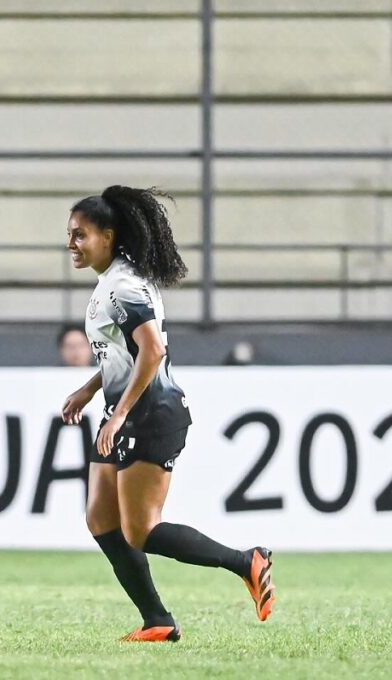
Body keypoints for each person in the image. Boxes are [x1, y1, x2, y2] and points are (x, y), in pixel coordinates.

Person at [60, 185, 275, 643]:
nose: (72, 244)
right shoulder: (113, 281)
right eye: (70, 235)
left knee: (141, 530)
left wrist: (117, 414)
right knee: (101, 519)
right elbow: (127, 353)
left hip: (150, 413)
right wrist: (89, 387)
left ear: (109, 236)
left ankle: (247, 561)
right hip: (127, 410)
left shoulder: (122, 286)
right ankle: (156, 619)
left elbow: (153, 351)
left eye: (80, 235)